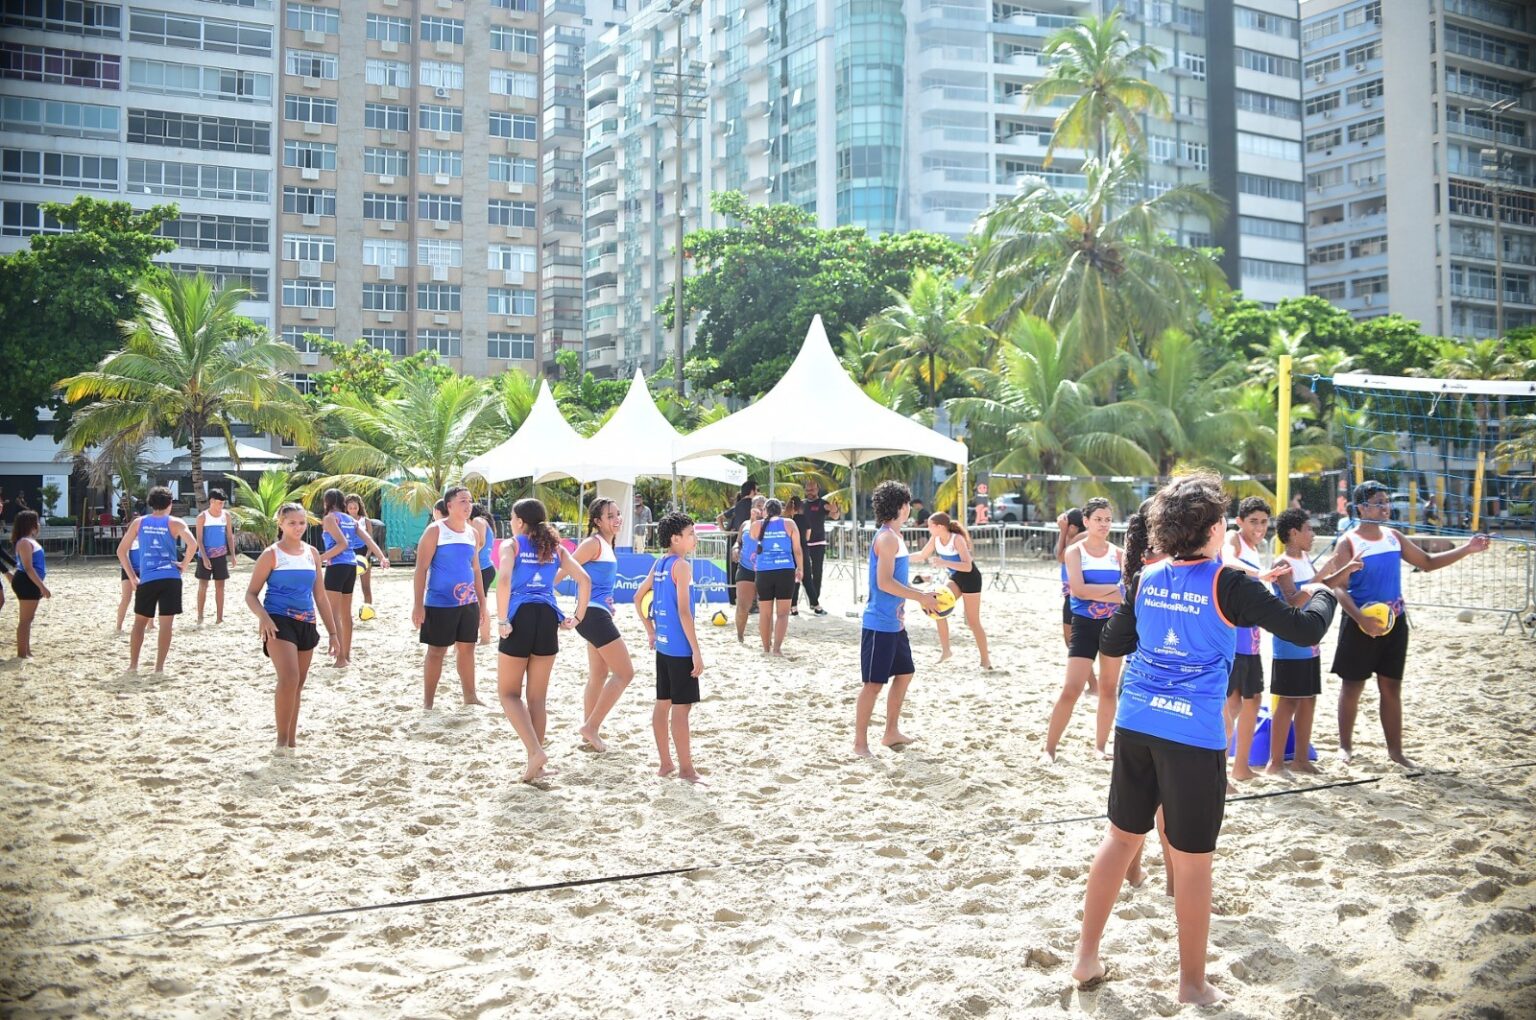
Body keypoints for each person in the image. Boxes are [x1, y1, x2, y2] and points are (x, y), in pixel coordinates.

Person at [1071, 473, 1338, 1005]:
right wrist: (1324, 592)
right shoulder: (1229, 585)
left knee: (1121, 839)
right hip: (1191, 736)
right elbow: (1305, 629)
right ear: (1217, 527)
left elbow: (1114, 640)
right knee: (1193, 862)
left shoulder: (1149, 577)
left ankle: (1085, 959)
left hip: (1136, 722)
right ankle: (1191, 984)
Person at [1316, 479, 1491, 767]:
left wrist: (1467, 549)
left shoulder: (1393, 537)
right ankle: (1345, 747)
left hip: (1394, 621)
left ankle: (1396, 752)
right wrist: (1361, 618)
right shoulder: (1349, 542)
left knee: (1391, 688)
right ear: (1361, 508)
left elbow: (1428, 562)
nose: (1386, 507)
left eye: (1386, 501)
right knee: (1352, 687)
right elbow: (1339, 587)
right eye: (1379, 502)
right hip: (1360, 622)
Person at [496, 497, 590, 783]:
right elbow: (584, 580)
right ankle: (536, 766)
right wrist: (578, 617)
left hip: (520, 616)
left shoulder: (511, 544)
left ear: (520, 522)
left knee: (508, 694)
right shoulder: (555, 548)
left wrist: (502, 619)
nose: (512, 523)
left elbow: (502, 580)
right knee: (537, 699)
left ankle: (535, 753)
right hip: (548, 617)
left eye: (513, 518)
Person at [1267, 508, 1364, 775]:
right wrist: (1323, 573)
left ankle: (1300, 760)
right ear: (1293, 533)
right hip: (1290, 639)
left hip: (1310, 637)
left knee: (1308, 699)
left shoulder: (1305, 558)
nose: (1313, 534)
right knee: (1288, 700)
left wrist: (1345, 568)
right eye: (1308, 529)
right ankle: (1275, 763)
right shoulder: (1281, 563)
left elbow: (1321, 586)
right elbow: (1293, 600)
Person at [244, 503, 341, 748]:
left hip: (307, 622)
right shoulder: (272, 554)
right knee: (288, 678)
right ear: (281, 524)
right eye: (292, 523)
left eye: (301, 523)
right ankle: (281, 740)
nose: (297, 527)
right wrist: (264, 618)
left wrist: (333, 633)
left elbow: (320, 596)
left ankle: (291, 740)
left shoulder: (312, 553)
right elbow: (251, 594)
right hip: (278, 621)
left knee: (298, 684)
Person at [854, 481, 939, 757]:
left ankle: (891, 732)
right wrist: (921, 597)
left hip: (894, 622)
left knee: (905, 673)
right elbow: (885, 583)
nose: (909, 509)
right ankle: (859, 744)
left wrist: (921, 593)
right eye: (907, 504)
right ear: (901, 506)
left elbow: (900, 573)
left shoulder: (894, 536)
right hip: (879, 622)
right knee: (873, 685)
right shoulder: (887, 538)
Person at [1043, 498, 1123, 763]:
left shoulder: (1118, 554)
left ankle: (1100, 747)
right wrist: (1111, 592)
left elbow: (1126, 596)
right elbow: (1078, 590)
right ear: (1086, 521)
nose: (1104, 524)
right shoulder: (1075, 552)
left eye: (1108, 519)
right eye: (1098, 519)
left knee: (1109, 689)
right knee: (1072, 688)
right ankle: (1049, 749)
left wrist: (1097, 593)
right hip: (1084, 625)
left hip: (1113, 626)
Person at [636, 511, 706, 782]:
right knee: (681, 708)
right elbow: (684, 613)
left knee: (662, 704)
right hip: (679, 649)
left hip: (664, 647)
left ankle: (666, 764)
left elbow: (637, 596)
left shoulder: (660, 563)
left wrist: (651, 631)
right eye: (690, 534)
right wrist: (696, 651)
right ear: (675, 539)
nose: (695, 538)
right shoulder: (681, 566)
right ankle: (687, 770)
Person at [562, 498, 635, 753]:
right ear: (597, 521)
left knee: (599, 675)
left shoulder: (605, 544)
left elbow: (595, 581)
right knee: (625, 673)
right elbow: (562, 570)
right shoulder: (592, 543)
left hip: (596, 613)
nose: (617, 519)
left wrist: (604, 598)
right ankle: (591, 727)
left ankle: (588, 730)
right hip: (592, 616)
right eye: (610, 516)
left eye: (618, 514)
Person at [411, 486, 489, 709]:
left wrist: (483, 604)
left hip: (468, 602)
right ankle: (428, 702)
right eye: (463, 501)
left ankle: (470, 697)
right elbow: (421, 569)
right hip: (439, 602)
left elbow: (476, 570)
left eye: (470, 501)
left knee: (467, 649)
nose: (468, 505)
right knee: (436, 651)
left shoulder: (472, 533)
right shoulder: (435, 531)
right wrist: (418, 605)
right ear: (450, 506)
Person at [1222, 496, 1282, 785]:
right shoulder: (1233, 538)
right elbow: (1227, 559)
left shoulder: (1257, 549)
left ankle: (1240, 767)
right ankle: (1219, 774)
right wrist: (1260, 574)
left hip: (1250, 634)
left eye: (1263, 521)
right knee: (1231, 705)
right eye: (1253, 521)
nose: (1259, 527)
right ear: (1240, 521)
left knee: (1252, 701)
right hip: (1234, 633)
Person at [117, 486, 199, 674]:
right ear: (170, 503)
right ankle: (159, 668)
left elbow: (121, 551)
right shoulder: (175, 522)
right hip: (170, 577)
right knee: (166, 625)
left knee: (139, 623)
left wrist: (132, 577)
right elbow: (193, 544)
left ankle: (133, 665)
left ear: (151, 503)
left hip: (147, 579)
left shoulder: (139, 522)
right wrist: (184, 564)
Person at [319, 487, 389, 669]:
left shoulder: (329, 518)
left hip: (337, 566)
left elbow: (342, 544)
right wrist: (381, 556)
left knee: (334, 613)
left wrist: (318, 559)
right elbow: (369, 540)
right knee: (345, 613)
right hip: (352, 566)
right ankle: (346, 654)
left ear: (327, 502)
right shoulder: (350, 519)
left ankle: (341, 657)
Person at [913, 511, 992, 668]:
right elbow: (922, 555)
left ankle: (985, 660)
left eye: (930, 526)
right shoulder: (935, 539)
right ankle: (946, 651)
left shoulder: (957, 539)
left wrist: (944, 563)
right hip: (956, 578)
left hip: (971, 579)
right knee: (937, 606)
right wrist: (898, 557)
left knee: (972, 621)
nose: (928, 529)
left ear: (940, 527)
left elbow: (968, 566)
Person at [750, 498, 802, 656]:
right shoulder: (790, 524)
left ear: (765, 510)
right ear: (781, 510)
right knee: (782, 614)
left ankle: (766, 648)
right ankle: (777, 649)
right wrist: (800, 568)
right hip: (785, 570)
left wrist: (757, 518)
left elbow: (753, 538)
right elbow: (797, 550)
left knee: (765, 614)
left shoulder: (756, 525)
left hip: (764, 571)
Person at [798, 479, 841, 616]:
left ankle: (814, 601)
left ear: (818, 490)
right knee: (801, 572)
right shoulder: (802, 504)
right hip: (803, 543)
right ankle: (795, 603)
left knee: (817, 573)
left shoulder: (823, 503)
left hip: (818, 542)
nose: (810, 492)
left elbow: (834, 515)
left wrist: (835, 510)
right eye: (808, 490)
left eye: (813, 489)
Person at [9, 510, 49, 658]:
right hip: (27, 581)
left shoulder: (29, 540)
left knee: (28, 618)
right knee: (25, 620)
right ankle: (21, 654)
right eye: (36, 521)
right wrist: (42, 587)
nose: (38, 524)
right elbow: (28, 567)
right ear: (30, 524)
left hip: (29, 581)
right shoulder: (25, 542)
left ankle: (27, 650)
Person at [194, 488, 236, 625]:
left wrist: (233, 555)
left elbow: (229, 536)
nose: (221, 506)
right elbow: (199, 539)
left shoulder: (226, 516)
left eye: (223, 503)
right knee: (203, 586)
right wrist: (205, 558)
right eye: (219, 503)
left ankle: (219, 617)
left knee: (220, 586)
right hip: (205, 555)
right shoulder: (202, 517)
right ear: (211, 501)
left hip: (221, 556)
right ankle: (200, 616)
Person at [115, 508, 154, 635]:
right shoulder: (128, 539)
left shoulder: (146, 538)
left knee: (149, 597)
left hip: (143, 570)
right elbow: (123, 556)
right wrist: (132, 577)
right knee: (126, 598)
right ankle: (119, 626)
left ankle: (151, 624)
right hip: (129, 569)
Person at [720, 480, 758, 606]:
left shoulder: (737, 506)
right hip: (750, 542)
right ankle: (751, 600)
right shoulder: (755, 506)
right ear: (752, 491)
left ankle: (734, 599)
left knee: (734, 571)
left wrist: (725, 532)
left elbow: (719, 517)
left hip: (735, 541)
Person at [732, 495, 764, 643]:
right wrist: (736, 549)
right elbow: (738, 542)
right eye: (757, 505)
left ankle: (766, 639)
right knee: (743, 606)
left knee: (765, 607)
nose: (760, 509)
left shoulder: (770, 524)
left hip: (765, 569)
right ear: (752, 507)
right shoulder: (744, 524)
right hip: (746, 567)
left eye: (763, 506)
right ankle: (739, 636)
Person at [1055, 507, 1087, 649]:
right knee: (1071, 644)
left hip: (1078, 594)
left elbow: (1061, 557)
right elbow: (1059, 553)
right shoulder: (1072, 537)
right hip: (1070, 594)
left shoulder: (1083, 537)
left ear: (1073, 527)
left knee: (1074, 644)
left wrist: (1063, 532)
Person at [343, 494, 377, 608]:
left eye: (355, 507)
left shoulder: (365, 521)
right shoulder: (343, 521)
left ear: (359, 507)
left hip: (363, 554)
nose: (353, 510)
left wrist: (366, 557)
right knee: (348, 587)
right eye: (350, 508)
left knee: (366, 586)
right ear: (346, 508)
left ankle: (368, 609)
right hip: (349, 554)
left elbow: (370, 541)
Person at [471, 504, 497, 644]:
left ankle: (485, 638)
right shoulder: (485, 522)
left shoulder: (477, 521)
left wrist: (469, 558)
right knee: (482, 604)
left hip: (481, 568)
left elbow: (480, 542)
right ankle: (485, 638)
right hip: (485, 568)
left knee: (481, 605)